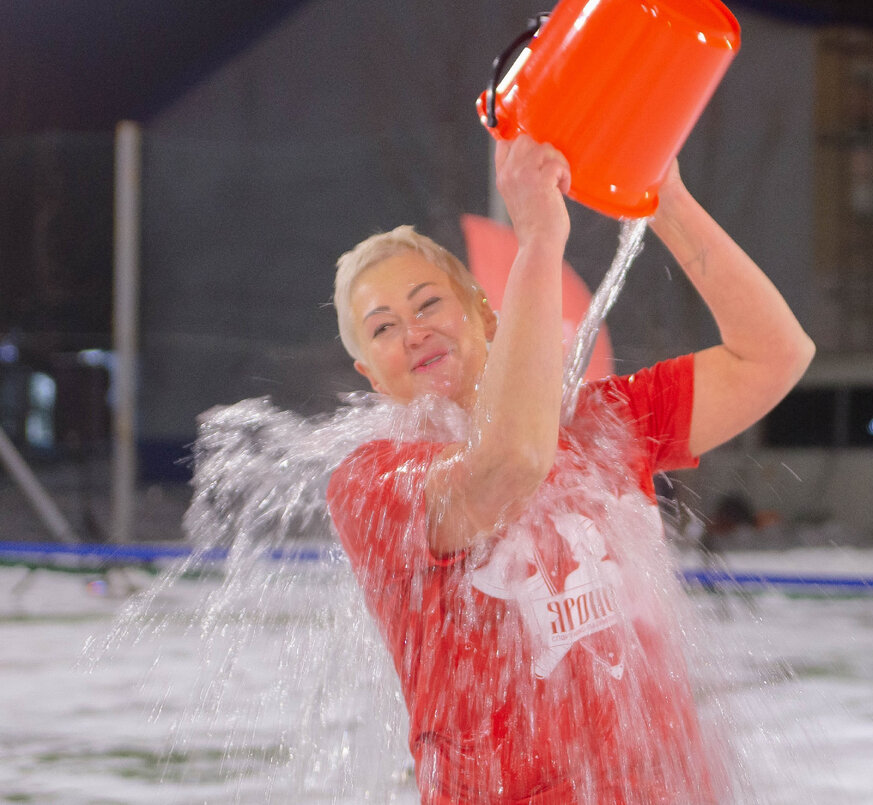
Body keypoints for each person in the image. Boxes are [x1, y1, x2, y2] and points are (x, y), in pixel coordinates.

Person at [327, 136, 814, 804]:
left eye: (428, 303)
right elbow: (507, 466)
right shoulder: (373, 483)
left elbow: (774, 355)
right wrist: (537, 243)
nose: (412, 332)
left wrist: (662, 198)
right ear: (370, 376)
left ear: (483, 315)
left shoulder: (602, 423)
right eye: (381, 328)